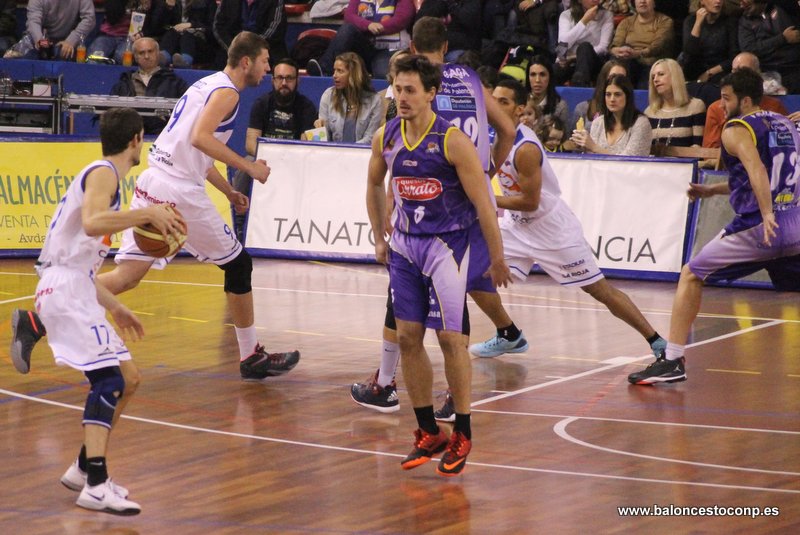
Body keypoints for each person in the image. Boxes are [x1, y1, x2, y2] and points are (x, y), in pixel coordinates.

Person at [10, 32, 300, 382]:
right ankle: (250, 355)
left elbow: (197, 151)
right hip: (177, 190)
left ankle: (34, 322)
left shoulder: (207, 85)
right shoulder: (227, 94)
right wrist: (248, 167)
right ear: (246, 61)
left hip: (155, 179)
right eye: (265, 61)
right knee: (238, 264)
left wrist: (227, 191)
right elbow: (200, 139)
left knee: (128, 277)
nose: (268, 68)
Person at [350, 16, 516, 414]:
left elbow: (403, 155)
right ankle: (446, 392)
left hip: (439, 208)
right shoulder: (470, 78)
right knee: (450, 306)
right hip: (472, 200)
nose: (405, 95)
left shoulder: (409, 90)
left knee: (418, 307)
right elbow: (507, 128)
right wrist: (489, 168)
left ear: (411, 48)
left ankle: (389, 384)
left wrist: (390, 205)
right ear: (445, 47)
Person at [27, 108, 184, 514]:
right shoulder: (104, 173)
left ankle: (83, 468)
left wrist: (116, 307)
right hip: (62, 289)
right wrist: (146, 213)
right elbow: (94, 222)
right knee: (109, 381)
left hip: (75, 286)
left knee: (128, 378)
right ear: (136, 139)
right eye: (143, 138)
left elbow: (84, 263)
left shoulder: (105, 177)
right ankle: (96, 484)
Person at [365, 54, 512, 476]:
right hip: (407, 248)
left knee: (451, 340)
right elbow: (374, 182)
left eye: (411, 90)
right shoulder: (386, 137)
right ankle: (428, 431)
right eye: (398, 88)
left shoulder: (452, 142)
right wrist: (379, 234)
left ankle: (463, 430)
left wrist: (497, 255)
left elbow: (485, 202)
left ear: (432, 93)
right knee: (408, 337)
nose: (403, 97)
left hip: (448, 247)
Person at [628, 67, 800, 385]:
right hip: (794, 228)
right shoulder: (784, 125)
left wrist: (766, 214)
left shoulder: (737, 127)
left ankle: (673, 359)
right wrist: (712, 190)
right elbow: (773, 176)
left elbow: (757, 169)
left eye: (725, 99)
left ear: (745, 100)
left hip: (760, 228)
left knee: (691, 274)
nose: (720, 106)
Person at [233, 58, 317, 238]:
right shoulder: (262, 103)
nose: (284, 83)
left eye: (289, 78)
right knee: (245, 164)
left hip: (295, 161)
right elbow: (250, 143)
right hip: (264, 159)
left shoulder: (307, 107)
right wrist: (270, 156)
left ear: (297, 80)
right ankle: (239, 224)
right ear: (273, 80)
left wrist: (284, 157)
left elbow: (306, 144)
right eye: (279, 78)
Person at [305, 0, 415, 79]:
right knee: (347, 29)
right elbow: (349, 16)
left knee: (383, 74)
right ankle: (325, 70)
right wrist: (368, 25)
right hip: (365, 47)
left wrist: (380, 27)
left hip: (389, 50)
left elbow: (402, 19)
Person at [702, 52, 788, 149]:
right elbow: (709, 152)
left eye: (744, 72)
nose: (738, 76)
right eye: (735, 71)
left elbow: (783, 148)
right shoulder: (715, 109)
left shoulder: (774, 107)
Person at [109, 37, 190, 135]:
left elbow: (187, 112)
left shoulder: (174, 82)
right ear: (135, 57)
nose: (146, 56)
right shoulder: (124, 83)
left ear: (157, 53)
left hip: (162, 134)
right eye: (141, 53)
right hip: (130, 133)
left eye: (150, 51)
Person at [571, 73, 652, 155]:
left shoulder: (641, 123)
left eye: (617, 94)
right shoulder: (598, 123)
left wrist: (594, 147)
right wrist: (582, 146)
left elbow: (631, 160)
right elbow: (591, 157)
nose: (612, 99)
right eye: (608, 94)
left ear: (628, 96)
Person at [314, 52, 383, 144]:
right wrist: (320, 130)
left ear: (354, 75)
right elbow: (325, 137)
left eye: (340, 71)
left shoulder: (375, 100)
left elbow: (370, 137)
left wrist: (348, 151)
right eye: (334, 70)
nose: (334, 75)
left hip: (361, 154)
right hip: (333, 153)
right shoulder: (328, 95)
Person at [737, 0, 800, 94]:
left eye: (744, 0)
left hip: (793, 68)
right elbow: (749, 49)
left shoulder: (783, 7)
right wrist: (783, 38)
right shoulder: (745, 21)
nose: (741, 5)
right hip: (767, 73)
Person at [610, 0, 674, 88]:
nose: (642, 1)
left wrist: (638, 53)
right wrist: (616, 50)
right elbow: (616, 43)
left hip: (651, 62)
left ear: (654, 3)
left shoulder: (665, 21)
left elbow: (658, 46)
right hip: (628, 61)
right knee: (621, 56)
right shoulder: (626, 22)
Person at [644, 58, 706, 150]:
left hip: (685, 163)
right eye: (653, 77)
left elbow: (697, 147)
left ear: (675, 76)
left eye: (661, 74)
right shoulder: (649, 112)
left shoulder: (696, 107)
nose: (656, 80)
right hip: (654, 163)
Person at [3, 0, 95, 60]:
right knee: (22, 58)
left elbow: (89, 18)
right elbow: (33, 21)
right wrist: (40, 41)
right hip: (39, 39)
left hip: (66, 41)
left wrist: (71, 41)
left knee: (63, 55)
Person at [554, 0, 615, 87]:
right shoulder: (566, 15)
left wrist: (574, 57)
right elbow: (563, 44)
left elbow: (603, 47)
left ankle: (580, 93)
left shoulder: (606, 15)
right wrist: (584, 21)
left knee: (585, 47)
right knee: (553, 70)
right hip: (569, 62)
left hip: (594, 62)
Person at [213, 0, 288, 68]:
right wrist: (232, 48)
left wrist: (250, 48)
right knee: (220, 61)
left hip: (265, 48)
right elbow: (218, 27)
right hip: (232, 48)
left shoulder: (275, 1)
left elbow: (273, 30)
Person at [570, 58, 627, 132]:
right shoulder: (583, 108)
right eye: (613, 77)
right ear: (603, 79)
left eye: (622, 78)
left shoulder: (633, 116)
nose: (617, 82)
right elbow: (571, 139)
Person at [158, 0, 218, 68]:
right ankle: (163, 57)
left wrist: (191, 25)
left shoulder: (207, 2)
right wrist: (169, 8)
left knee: (187, 34)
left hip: (200, 41)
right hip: (176, 40)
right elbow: (159, 26)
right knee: (172, 33)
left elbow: (212, 28)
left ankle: (185, 61)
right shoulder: (172, 2)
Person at [527, 56, 569, 126]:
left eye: (542, 75)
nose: (537, 80)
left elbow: (566, 135)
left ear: (550, 77)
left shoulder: (560, 106)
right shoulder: (519, 102)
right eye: (533, 74)